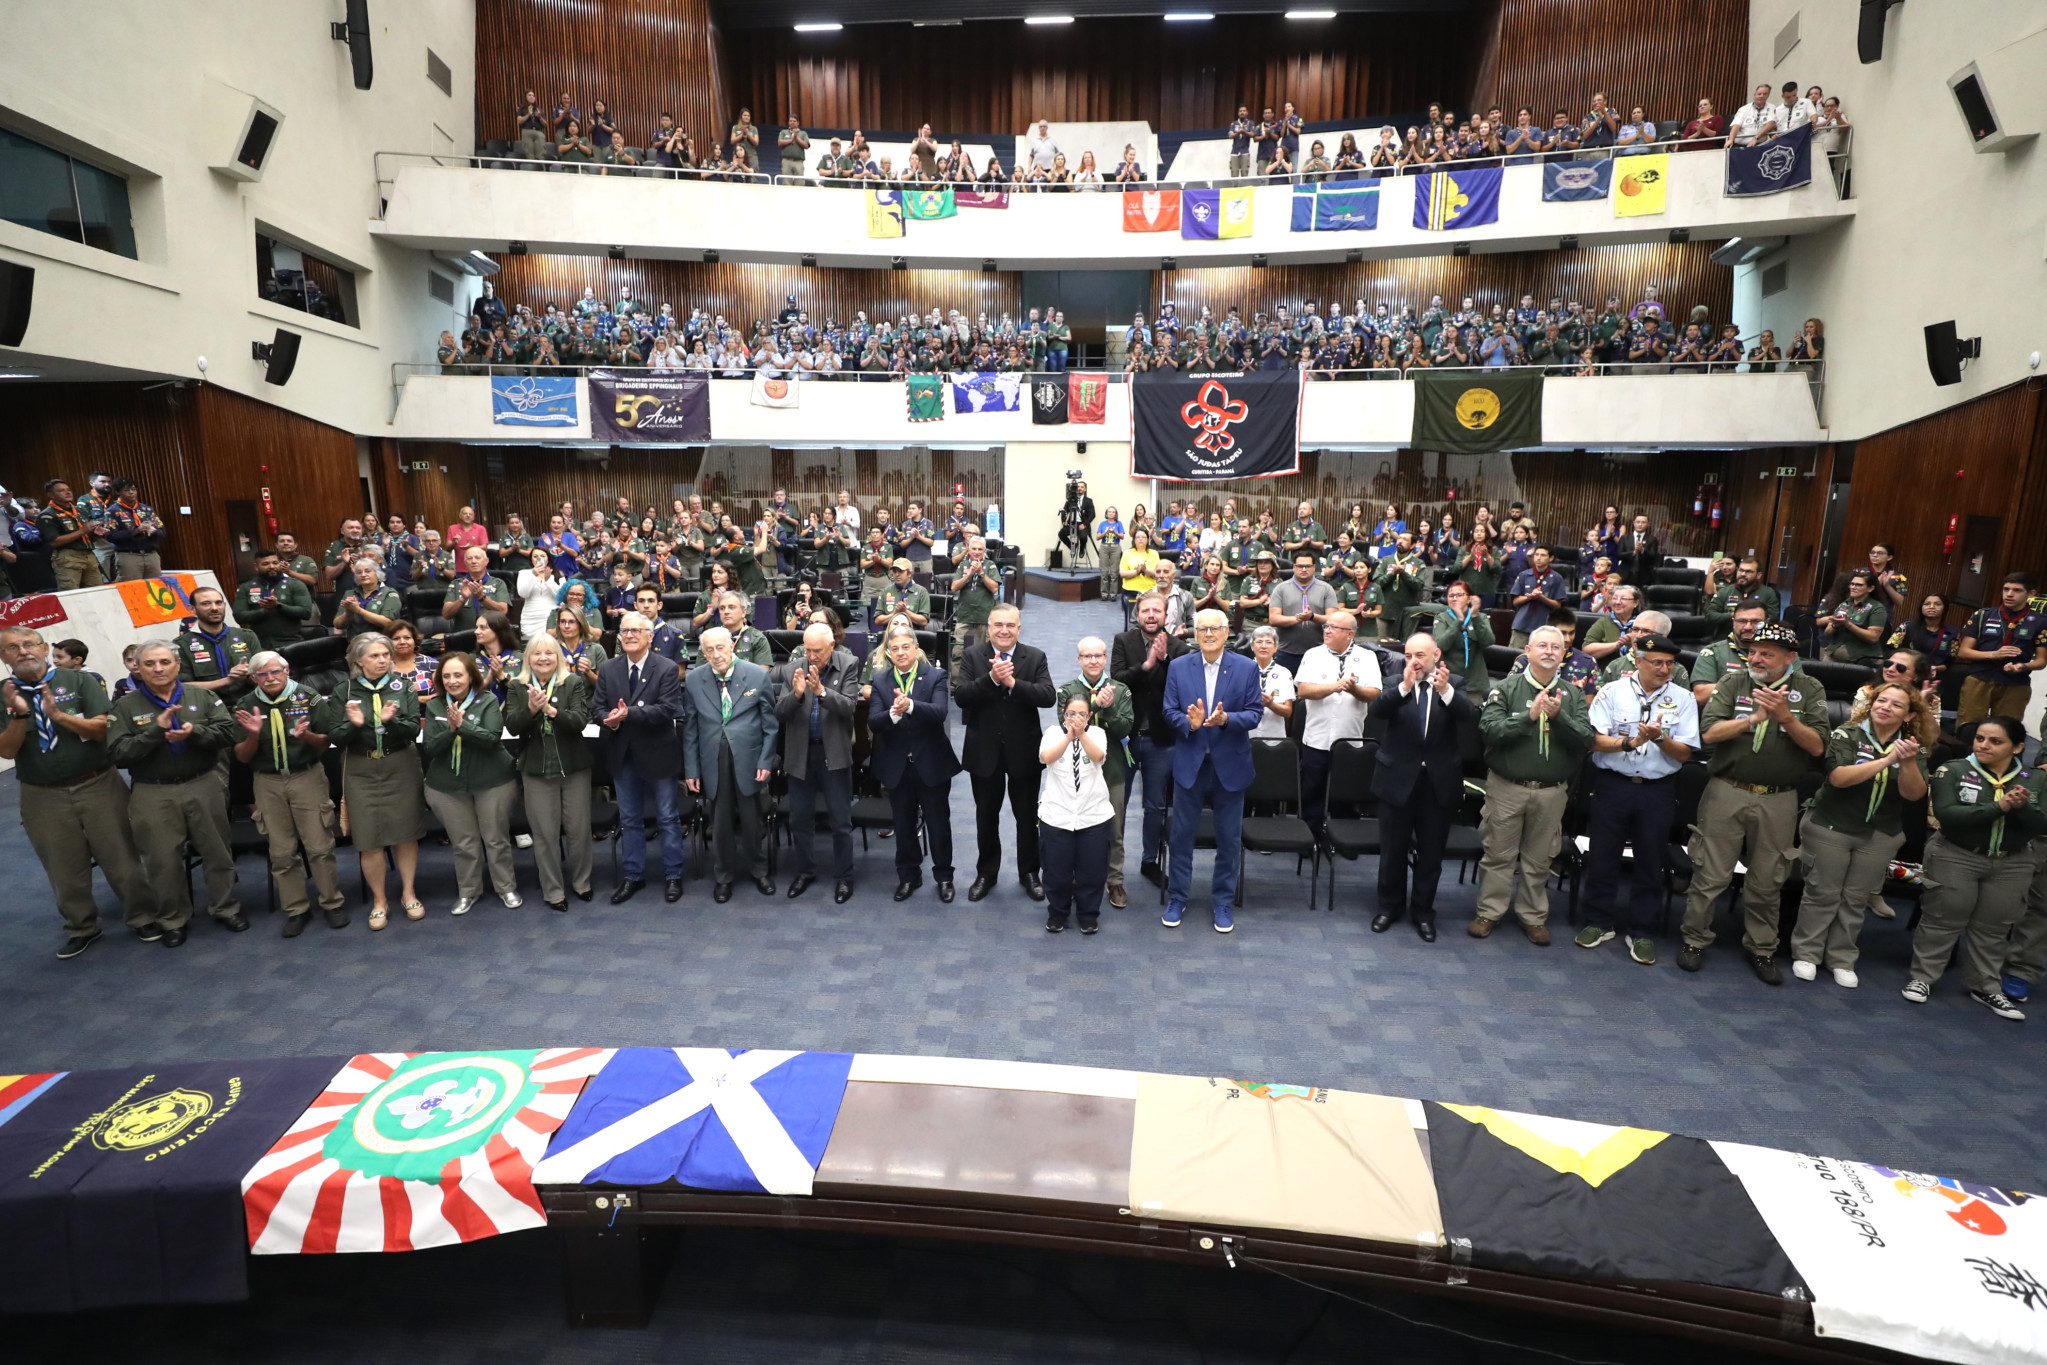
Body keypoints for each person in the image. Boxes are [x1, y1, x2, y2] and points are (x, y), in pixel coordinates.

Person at [1677, 621, 1828, 981]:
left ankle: (1761, 948)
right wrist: (1754, 719)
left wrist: (1785, 718)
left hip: (1779, 798)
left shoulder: (1809, 688)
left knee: (1767, 879)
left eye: (1766, 654)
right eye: (1754, 652)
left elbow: (1818, 747)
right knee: (1710, 873)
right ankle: (1694, 939)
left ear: (1790, 658)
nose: (1756, 658)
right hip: (1727, 790)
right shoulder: (1734, 682)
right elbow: (1710, 732)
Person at [2, 625, 159, 956]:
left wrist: (58, 715)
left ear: (45, 649)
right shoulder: (3, 693)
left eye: (29, 644)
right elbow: (6, 750)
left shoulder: (79, 681)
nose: (23, 651)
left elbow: (104, 728)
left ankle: (143, 916)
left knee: (122, 857)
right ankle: (82, 926)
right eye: (13, 648)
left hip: (97, 782)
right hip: (41, 793)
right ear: (4, 657)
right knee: (63, 866)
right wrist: (20, 715)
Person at [1790, 682, 1935, 988]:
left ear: (1908, 714)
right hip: (1832, 825)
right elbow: (1839, 778)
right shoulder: (1847, 733)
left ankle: (1841, 957)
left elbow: (1914, 795)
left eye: (1896, 705)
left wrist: (1906, 761)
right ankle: (1807, 952)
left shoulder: (1913, 746)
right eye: (1882, 701)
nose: (1886, 707)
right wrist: (1886, 760)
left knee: (1856, 898)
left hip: (1880, 832)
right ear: (1872, 704)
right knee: (1823, 893)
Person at [1905, 717, 2043, 1020]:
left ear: (2018, 747)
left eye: (1996, 741)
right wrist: (2000, 807)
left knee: (1994, 928)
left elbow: (2041, 824)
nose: (1984, 745)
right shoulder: (1953, 770)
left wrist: (2024, 808)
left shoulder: (2035, 779)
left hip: (2013, 861)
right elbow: (1949, 815)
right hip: (1957, 854)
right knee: (1942, 918)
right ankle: (1923, 978)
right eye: (1980, 738)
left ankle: (1985, 986)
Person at [106, 641, 242, 944]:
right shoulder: (125, 707)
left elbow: (228, 732)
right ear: (138, 669)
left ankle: (225, 907)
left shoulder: (202, 696)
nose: (158, 669)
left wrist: (195, 732)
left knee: (217, 852)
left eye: (165, 662)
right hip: (153, 791)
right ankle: (173, 919)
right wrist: (156, 732)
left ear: (177, 666)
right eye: (150, 664)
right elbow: (119, 754)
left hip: (203, 783)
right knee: (162, 861)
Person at [1577, 634, 1699, 963]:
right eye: (1657, 662)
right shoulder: (1612, 692)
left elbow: (1685, 753)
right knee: (1603, 856)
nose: (1664, 669)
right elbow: (1594, 741)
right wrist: (1629, 743)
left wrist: (1659, 738)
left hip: (1657, 791)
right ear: (1638, 660)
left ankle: (1641, 931)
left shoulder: (1684, 698)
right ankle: (1598, 922)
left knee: (1650, 862)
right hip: (1613, 785)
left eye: (1670, 664)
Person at [1474, 626, 1592, 944]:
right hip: (1507, 787)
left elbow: (1586, 739)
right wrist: (1529, 716)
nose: (1549, 651)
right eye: (1542, 645)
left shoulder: (1574, 694)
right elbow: (1489, 731)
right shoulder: (1505, 689)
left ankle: (1533, 916)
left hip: (1551, 791)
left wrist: (1559, 718)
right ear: (1527, 651)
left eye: (1556, 646)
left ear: (1564, 654)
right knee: (1498, 854)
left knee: (1540, 859)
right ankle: (1489, 912)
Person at [1366, 633, 1473, 943]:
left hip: (1437, 783)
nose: (1414, 660)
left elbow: (1468, 715)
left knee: (1431, 855)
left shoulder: (1456, 684)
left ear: (1436, 655)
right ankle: (1389, 907)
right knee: (1392, 852)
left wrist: (1446, 691)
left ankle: (1423, 912)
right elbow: (1378, 712)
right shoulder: (1393, 682)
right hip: (1397, 779)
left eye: (1421, 655)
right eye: (1410, 654)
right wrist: (1404, 687)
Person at [315, 632, 426, 930]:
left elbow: (414, 729)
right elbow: (335, 737)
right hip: (361, 768)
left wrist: (392, 720)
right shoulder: (344, 690)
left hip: (399, 763)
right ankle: (380, 901)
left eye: (386, 655)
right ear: (358, 661)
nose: (382, 660)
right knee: (369, 839)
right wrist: (354, 725)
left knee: (406, 833)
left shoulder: (402, 686)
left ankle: (408, 893)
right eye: (375, 656)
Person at [232, 651, 347, 935]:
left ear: (287, 670)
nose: (270, 678)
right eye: (262, 674)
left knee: (320, 847)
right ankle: (296, 909)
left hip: (306, 776)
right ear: (253, 678)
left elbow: (326, 742)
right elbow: (242, 757)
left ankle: (332, 903)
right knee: (282, 852)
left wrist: (306, 736)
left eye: (275, 672)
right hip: (267, 782)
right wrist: (254, 735)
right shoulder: (246, 704)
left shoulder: (309, 697)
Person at [1161, 610, 1262, 934]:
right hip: (1191, 764)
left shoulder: (1246, 667)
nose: (1207, 634)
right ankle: (1177, 897)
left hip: (1230, 765)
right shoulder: (1178, 667)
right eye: (1202, 628)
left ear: (1226, 632)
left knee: (1229, 840)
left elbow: (1254, 713)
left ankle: (1222, 902)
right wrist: (1187, 723)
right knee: (1181, 837)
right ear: (1195, 633)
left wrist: (1226, 720)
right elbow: (1169, 710)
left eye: (1214, 629)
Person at [951, 604, 1056, 903]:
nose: (1004, 630)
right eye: (998, 625)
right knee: (986, 816)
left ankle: (1029, 873)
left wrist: (1013, 683)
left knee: (1026, 817)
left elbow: (1047, 697)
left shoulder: (1034, 656)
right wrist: (993, 679)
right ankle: (987, 872)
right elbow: (961, 696)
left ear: (1019, 628)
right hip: (984, 752)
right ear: (989, 626)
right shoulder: (973, 655)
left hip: (1023, 750)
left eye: (1010, 625)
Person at [596, 612, 688, 904]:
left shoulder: (667, 668)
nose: (630, 635)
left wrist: (628, 714)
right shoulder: (608, 669)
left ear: (650, 636)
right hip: (623, 756)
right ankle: (632, 876)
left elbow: (667, 709)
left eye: (636, 630)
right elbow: (597, 707)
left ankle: (673, 875)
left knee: (668, 818)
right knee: (630, 819)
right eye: (625, 631)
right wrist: (607, 720)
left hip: (658, 754)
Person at [681, 626, 778, 900]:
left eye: (720, 647)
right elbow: (690, 729)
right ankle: (723, 875)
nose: (715, 654)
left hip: (749, 760)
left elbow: (770, 726)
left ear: (731, 645)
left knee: (752, 820)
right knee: (720, 823)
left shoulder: (757, 675)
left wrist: (766, 761)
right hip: (712, 760)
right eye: (709, 650)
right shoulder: (694, 679)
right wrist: (691, 768)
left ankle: (759, 871)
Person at [421, 653, 521, 915]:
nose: (453, 681)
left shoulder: (487, 700)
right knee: (464, 843)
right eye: (447, 676)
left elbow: (491, 739)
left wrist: (461, 726)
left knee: (496, 839)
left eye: (458, 675)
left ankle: (506, 888)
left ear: (470, 677)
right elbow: (431, 747)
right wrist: (451, 730)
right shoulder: (434, 707)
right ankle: (468, 891)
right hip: (448, 787)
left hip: (492, 781)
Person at [870, 625, 959, 902]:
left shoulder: (935, 675)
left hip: (931, 765)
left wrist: (910, 706)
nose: (900, 653)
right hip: (897, 767)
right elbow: (874, 721)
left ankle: (944, 877)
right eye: (894, 648)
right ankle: (908, 876)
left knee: (939, 825)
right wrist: (893, 714)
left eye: (905, 647)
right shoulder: (881, 680)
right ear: (888, 653)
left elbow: (940, 712)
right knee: (904, 826)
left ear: (917, 648)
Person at [772, 623, 859, 903]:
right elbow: (779, 713)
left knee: (840, 821)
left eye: (817, 651)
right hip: (800, 756)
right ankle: (804, 871)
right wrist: (797, 694)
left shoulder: (848, 665)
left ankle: (844, 876)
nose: (812, 656)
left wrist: (822, 692)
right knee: (800, 820)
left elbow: (849, 707)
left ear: (831, 646)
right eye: (807, 650)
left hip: (833, 755)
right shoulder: (792, 668)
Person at [1113, 591, 1188, 889]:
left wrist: (1164, 659)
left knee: (1155, 806)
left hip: (1161, 739)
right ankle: (1112, 865)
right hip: (1126, 739)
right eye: (1146, 610)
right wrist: (1146, 664)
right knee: (1116, 803)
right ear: (1138, 614)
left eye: (1157, 610)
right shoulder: (1123, 641)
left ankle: (1149, 861)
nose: (1152, 615)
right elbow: (1116, 679)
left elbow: (1179, 686)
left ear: (1166, 615)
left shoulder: (1179, 648)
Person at [1055, 636, 1135, 910]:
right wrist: (1096, 706)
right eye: (1087, 656)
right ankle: (1079, 879)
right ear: (1079, 660)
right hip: (1076, 773)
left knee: (1114, 829)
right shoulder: (1067, 690)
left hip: (1111, 769)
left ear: (1105, 658)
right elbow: (1064, 725)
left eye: (1098, 656)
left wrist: (1109, 707)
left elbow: (1125, 729)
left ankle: (1114, 880)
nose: (1093, 661)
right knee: (1077, 827)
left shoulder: (1121, 690)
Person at [1293, 610, 1382, 843]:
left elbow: (1373, 693)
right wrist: (1334, 687)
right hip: (1316, 738)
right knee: (1312, 791)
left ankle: (1346, 841)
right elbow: (1303, 691)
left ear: (1350, 634)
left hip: (1350, 739)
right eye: (1326, 627)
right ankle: (1310, 839)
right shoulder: (1313, 655)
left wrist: (1354, 690)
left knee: (1346, 793)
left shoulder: (1367, 657)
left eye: (1334, 628)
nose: (1327, 630)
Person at [1038, 694, 1115, 935]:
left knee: (1092, 871)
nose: (1077, 718)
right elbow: (1046, 758)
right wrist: (1068, 737)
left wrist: (1081, 735)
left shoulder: (1097, 734)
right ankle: (1058, 913)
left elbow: (1098, 757)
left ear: (1089, 716)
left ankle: (1088, 915)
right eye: (1072, 714)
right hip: (1057, 815)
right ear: (1064, 715)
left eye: (1083, 714)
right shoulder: (1052, 733)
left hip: (1093, 815)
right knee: (1056, 871)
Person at [1954, 572, 2046, 725]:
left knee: (2007, 729)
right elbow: (1963, 652)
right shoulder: (1984, 615)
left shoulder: (2040, 622)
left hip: (2015, 682)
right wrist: (1993, 655)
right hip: (1980, 678)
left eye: (2017, 590)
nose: (2009, 594)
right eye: (2006, 589)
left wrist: (2023, 666)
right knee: (1968, 725)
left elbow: (2041, 661)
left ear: (2031, 593)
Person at [175, 585, 262, 706]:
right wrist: (228, 680)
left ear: (224, 605)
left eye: (218, 603)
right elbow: (183, 686)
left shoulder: (246, 636)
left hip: (249, 705)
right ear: (192, 609)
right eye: (206, 604)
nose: (214, 608)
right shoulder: (181, 645)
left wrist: (249, 674)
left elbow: (264, 674)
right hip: (208, 710)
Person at [1269, 551, 1339, 678]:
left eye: (1308, 566)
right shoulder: (1281, 588)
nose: (1304, 569)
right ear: (1294, 567)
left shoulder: (1326, 589)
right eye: (1300, 566)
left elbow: (1333, 619)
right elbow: (1273, 618)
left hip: (1319, 651)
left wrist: (1312, 617)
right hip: (1287, 652)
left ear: (1314, 568)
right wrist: (1297, 619)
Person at [235, 548, 316, 650]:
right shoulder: (246, 587)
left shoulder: (295, 584)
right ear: (256, 567)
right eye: (265, 564)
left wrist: (278, 605)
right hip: (259, 644)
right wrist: (262, 611)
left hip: (291, 642)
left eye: (275, 563)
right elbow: (238, 616)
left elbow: (305, 612)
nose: (272, 566)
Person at [1431, 580, 1495, 702]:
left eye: (1460, 595)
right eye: (1451, 596)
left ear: (1469, 598)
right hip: (1448, 679)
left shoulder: (1480, 617)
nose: (1454, 599)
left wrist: (1475, 617)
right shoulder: (1442, 617)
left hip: (1473, 682)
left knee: (1471, 717)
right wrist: (1458, 621)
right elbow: (1441, 645)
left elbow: (1488, 640)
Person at [36, 479, 105, 590]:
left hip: (89, 554)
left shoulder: (79, 511)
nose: (68, 492)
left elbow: (86, 534)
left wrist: (95, 533)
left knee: (97, 592)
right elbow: (54, 541)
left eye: (68, 490)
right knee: (71, 594)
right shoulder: (47, 515)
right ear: (51, 495)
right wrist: (82, 531)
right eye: (61, 491)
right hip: (68, 557)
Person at [1821, 569, 1890, 666]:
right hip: (1832, 654)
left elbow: (1873, 637)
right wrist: (1835, 625)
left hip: (1860, 659)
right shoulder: (1844, 604)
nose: (1853, 587)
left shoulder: (1877, 608)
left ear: (1870, 588)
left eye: (1859, 585)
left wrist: (1848, 625)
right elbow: (1827, 632)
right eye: (1852, 584)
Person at [105, 478, 166, 580]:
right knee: (132, 589)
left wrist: (153, 531)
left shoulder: (146, 509)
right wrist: (136, 531)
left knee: (154, 588)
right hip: (129, 555)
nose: (131, 492)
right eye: (126, 490)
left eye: (133, 489)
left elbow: (162, 531)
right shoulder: (112, 511)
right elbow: (110, 536)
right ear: (117, 492)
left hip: (151, 554)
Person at [1506, 547, 1566, 647]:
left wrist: (1542, 598)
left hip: (1544, 627)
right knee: (1516, 656)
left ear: (1551, 558)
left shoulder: (1557, 578)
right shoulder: (1524, 575)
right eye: (1536, 555)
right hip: (1522, 625)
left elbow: (1558, 605)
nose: (1538, 558)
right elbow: (1515, 602)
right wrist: (1529, 597)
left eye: (1543, 555)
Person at [334, 557, 404, 639]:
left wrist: (358, 610)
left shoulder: (389, 593)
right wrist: (348, 613)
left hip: (381, 643)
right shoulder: (350, 593)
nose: (363, 574)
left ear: (377, 574)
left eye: (367, 571)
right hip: (355, 644)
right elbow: (337, 624)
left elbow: (388, 623)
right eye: (359, 572)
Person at [1247, 625, 1295, 741]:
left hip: (1275, 738)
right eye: (1259, 642)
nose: (1263, 646)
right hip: (1247, 737)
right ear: (1252, 647)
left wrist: (1270, 704)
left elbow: (1288, 712)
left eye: (1268, 642)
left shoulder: (1284, 673)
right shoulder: (1242, 671)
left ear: (1276, 648)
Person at [1705, 557, 1780, 628]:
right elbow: (1709, 616)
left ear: (1758, 575)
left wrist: (1752, 617)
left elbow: (1773, 618)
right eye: (1741, 570)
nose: (1743, 574)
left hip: (1756, 637)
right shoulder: (1725, 591)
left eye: (1749, 572)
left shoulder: (1768, 593)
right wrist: (1734, 615)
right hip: (1726, 636)